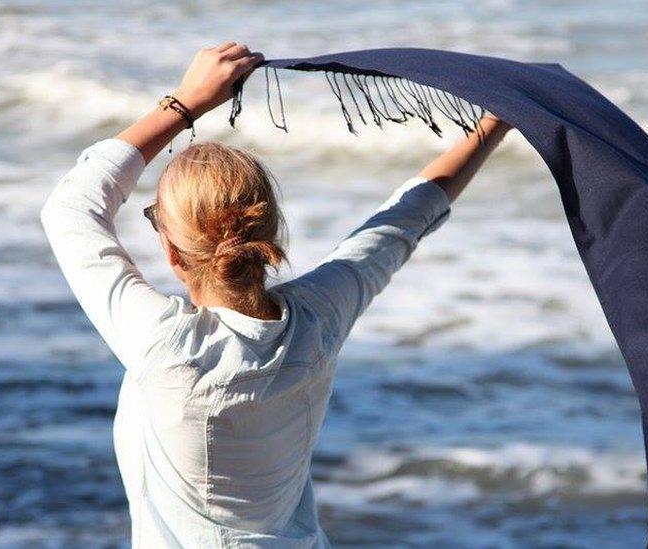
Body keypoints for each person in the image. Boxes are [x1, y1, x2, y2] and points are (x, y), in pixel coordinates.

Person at [41, 42, 512, 548]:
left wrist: (187, 102)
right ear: (269, 236)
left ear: (176, 256)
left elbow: (71, 206)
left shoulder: (168, 348)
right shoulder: (317, 318)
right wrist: (497, 122)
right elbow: (404, 220)